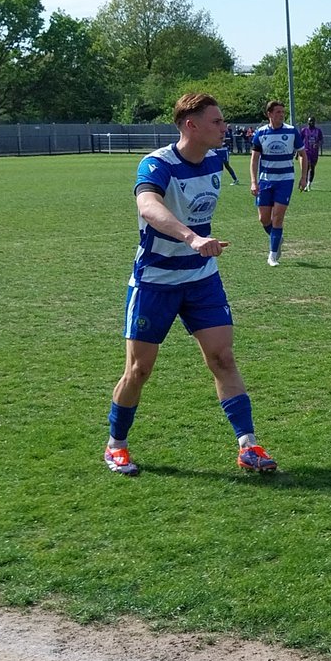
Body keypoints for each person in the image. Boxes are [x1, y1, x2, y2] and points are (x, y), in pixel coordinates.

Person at [104, 93, 278, 477]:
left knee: (223, 358)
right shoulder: (157, 164)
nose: (224, 128)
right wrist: (191, 238)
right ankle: (116, 445)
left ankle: (248, 446)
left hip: (201, 278)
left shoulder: (216, 159)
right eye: (216, 122)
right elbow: (148, 206)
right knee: (139, 370)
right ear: (190, 125)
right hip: (155, 281)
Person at [250, 100, 305, 266]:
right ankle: (277, 238)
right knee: (263, 219)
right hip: (265, 181)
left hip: (285, 180)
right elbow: (254, 159)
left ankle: (272, 256)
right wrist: (253, 181)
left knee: (278, 218)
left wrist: (303, 177)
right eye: (278, 112)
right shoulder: (260, 133)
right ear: (270, 114)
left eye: (283, 112)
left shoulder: (291, 131)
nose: (281, 115)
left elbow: (302, 154)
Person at [299, 116, 323, 188]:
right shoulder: (304, 130)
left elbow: (321, 140)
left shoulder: (318, 131)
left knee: (312, 167)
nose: (311, 122)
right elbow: (299, 141)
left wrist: (317, 144)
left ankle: (309, 183)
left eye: (312, 121)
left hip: (314, 152)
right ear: (308, 122)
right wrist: (298, 153)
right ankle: (305, 183)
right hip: (306, 151)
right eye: (310, 121)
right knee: (306, 168)